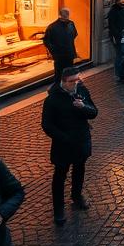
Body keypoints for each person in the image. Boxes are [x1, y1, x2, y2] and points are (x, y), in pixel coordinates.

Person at [40, 67, 97, 224]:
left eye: (78, 79)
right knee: (60, 175)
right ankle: (58, 209)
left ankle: (77, 196)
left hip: (81, 140)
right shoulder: (52, 100)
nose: (76, 83)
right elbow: (47, 125)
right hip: (63, 145)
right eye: (72, 81)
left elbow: (94, 112)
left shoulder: (82, 91)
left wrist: (83, 107)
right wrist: (64, 138)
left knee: (80, 169)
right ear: (63, 82)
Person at [43, 7, 79, 83]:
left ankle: (65, 89)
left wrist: (54, 51)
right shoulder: (54, 27)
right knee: (61, 74)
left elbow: (74, 34)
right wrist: (54, 52)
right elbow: (46, 41)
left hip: (66, 54)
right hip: (62, 55)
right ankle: (61, 89)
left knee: (64, 74)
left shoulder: (69, 24)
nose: (66, 17)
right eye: (65, 15)